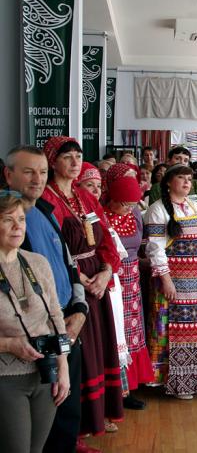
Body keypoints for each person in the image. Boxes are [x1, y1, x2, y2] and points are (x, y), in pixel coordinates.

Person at [5, 147, 90, 453]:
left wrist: (80, 312)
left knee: (67, 416)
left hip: (67, 326)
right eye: (28, 172)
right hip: (31, 345)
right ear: (8, 174)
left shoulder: (45, 211)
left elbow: (70, 267)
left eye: (42, 172)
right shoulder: (9, 225)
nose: (37, 179)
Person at [41, 136, 124, 437]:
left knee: (98, 349)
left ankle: (97, 415)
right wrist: (80, 276)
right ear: (52, 161)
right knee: (79, 352)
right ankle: (77, 424)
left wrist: (106, 271)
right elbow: (49, 248)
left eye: (78, 156)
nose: (76, 162)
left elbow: (106, 240)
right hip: (70, 282)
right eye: (68, 157)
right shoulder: (47, 199)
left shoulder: (85, 197)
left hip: (95, 279)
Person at [0, 191, 71, 453]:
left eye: (21, 219)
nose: (18, 227)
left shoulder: (37, 263)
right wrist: (8, 344)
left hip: (45, 373)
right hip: (6, 377)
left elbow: (56, 318)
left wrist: (63, 368)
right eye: (8, 220)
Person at [144, 164, 197, 400]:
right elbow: (155, 249)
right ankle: (176, 381)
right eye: (181, 178)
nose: (186, 182)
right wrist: (166, 280)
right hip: (174, 279)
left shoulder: (193, 205)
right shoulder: (157, 210)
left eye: (189, 179)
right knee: (174, 329)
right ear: (168, 182)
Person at [104, 175, 154, 408]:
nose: (129, 208)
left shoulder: (134, 214)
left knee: (134, 330)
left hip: (132, 276)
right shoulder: (102, 217)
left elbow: (140, 242)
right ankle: (118, 388)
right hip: (112, 278)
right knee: (116, 330)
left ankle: (132, 384)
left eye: (132, 204)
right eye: (124, 203)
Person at [147, 147, 197, 217]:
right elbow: (154, 214)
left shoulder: (196, 184)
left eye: (185, 160)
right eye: (177, 159)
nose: (181, 162)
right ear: (169, 161)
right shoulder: (157, 188)